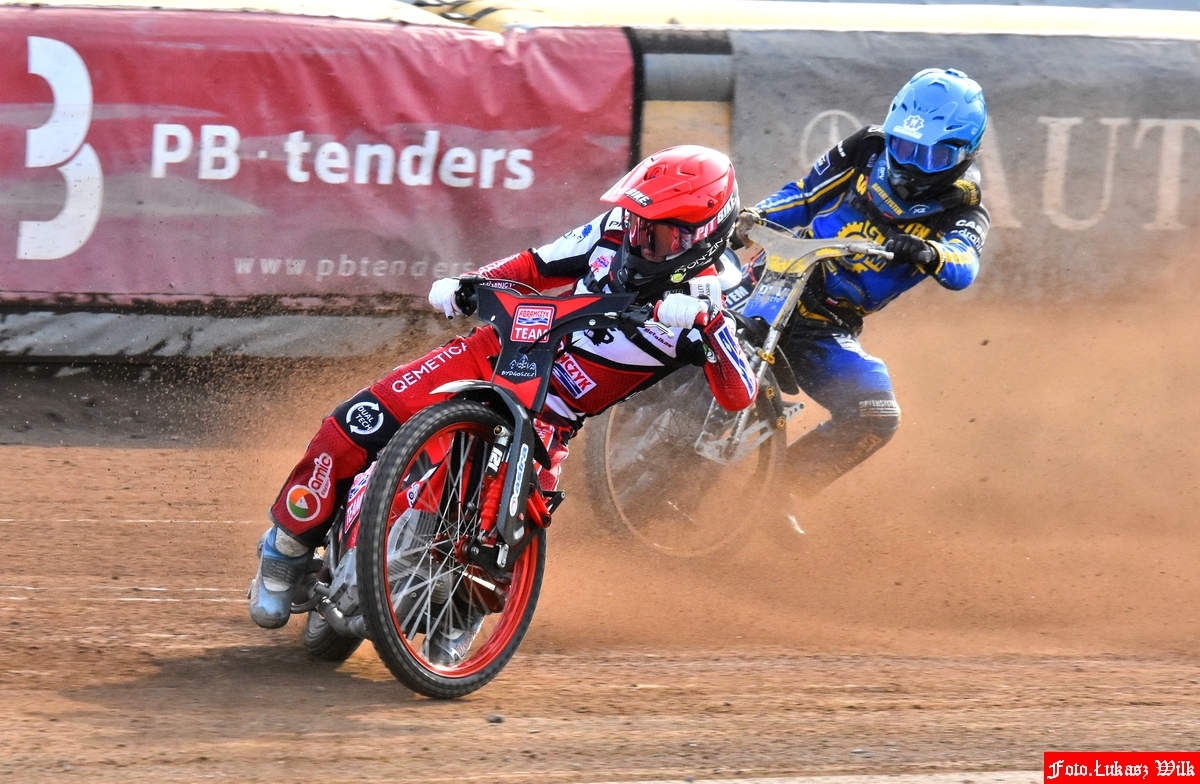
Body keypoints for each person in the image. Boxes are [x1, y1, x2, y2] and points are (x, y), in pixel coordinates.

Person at [248, 145, 758, 630]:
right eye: (637, 221)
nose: (639, 239)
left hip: (550, 417)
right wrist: (470, 283)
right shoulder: (613, 230)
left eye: (660, 235)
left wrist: (710, 324)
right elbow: (536, 265)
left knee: (503, 552)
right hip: (499, 349)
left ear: (705, 236)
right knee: (353, 424)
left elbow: (740, 395)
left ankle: (451, 621)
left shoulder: (719, 294)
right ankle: (285, 551)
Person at [735, 67, 990, 498]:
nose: (912, 166)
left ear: (966, 153)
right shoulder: (867, 148)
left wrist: (931, 252)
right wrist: (752, 219)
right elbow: (805, 195)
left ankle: (773, 499)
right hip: (771, 283)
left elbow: (964, 265)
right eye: (904, 147)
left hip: (825, 327)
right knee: (687, 322)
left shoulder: (965, 212)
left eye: (932, 158)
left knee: (875, 415)